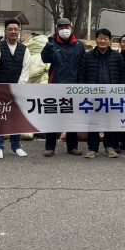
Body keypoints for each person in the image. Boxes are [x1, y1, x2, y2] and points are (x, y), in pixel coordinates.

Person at [78, 28, 125, 158]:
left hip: (112, 95)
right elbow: (82, 75)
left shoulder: (117, 56)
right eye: (100, 38)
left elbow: (123, 75)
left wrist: (121, 92)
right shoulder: (87, 56)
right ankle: (93, 148)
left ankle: (109, 147)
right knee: (93, 122)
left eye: (105, 38)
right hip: (93, 95)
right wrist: (84, 92)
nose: (103, 41)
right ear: (96, 40)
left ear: (110, 41)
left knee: (110, 121)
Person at [0, 19, 31, 159]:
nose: (13, 31)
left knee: (15, 118)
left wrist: (19, 86)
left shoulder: (24, 49)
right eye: (10, 29)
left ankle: (16, 146)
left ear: (19, 32)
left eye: (16, 29)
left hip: (17, 88)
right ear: (5, 31)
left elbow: (26, 69)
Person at [41, 18, 85, 157]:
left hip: (74, 85)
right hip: (56, 84)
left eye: (66, 27)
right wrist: (48, 45)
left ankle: (72, 146)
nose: (64, 30)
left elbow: (83, 63)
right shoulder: (52, 44)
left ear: (71, 28)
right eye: (61, 28)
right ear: (57, 30)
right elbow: (45, 58)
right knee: (53, 116)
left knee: (72, 116)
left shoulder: (79, 45)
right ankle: (50, 147)